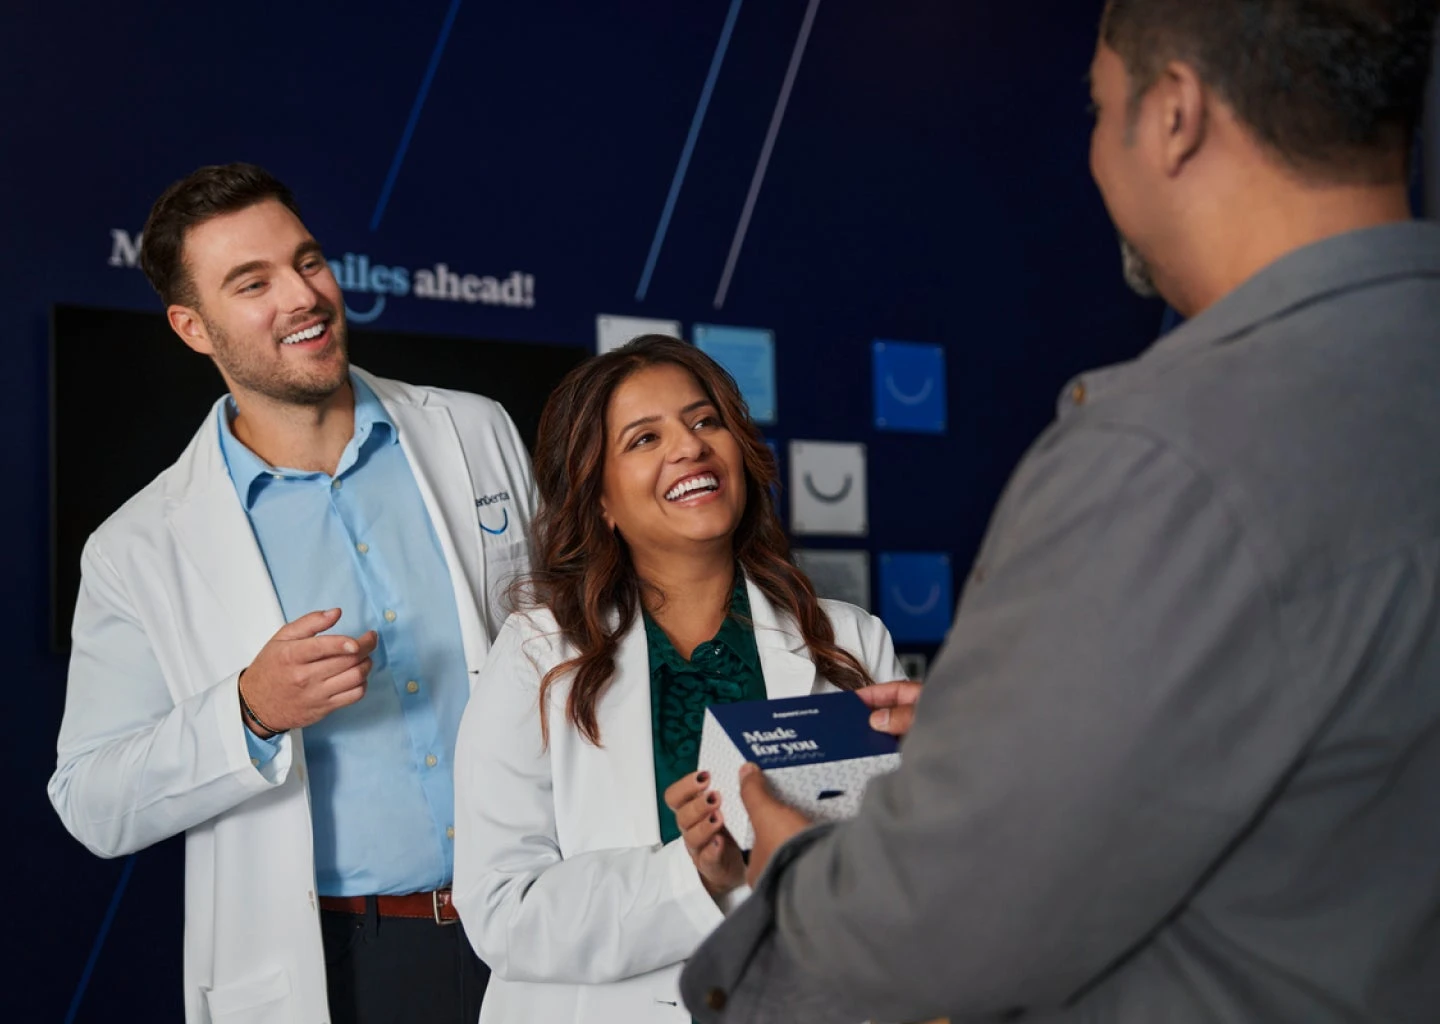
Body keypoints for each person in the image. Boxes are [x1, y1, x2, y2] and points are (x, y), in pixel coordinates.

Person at [680, 1, 1440, 1021]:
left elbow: (937, 931)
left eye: (1099, 107)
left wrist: (796, 876)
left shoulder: (1162, 456)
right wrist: (1010, 730)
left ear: (1173, 114)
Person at [48, 162, 536, 1024]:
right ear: (192, 328)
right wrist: (249, 709)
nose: (302, 296)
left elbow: (569, 647)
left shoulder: (473, 430)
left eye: (307, 262)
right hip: (354, 966)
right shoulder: (138, 546)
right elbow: (91, 800)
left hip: (543, 919)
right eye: (252, 282)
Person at [450, 335, 906, 1023]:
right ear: (599, 497)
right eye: (643, 439)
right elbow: (500, 910)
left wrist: (931, 775)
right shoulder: (538, 654)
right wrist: (690, 874)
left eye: (704, 422)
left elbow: (904, 865)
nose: (689, 447)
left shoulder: (847, 641)